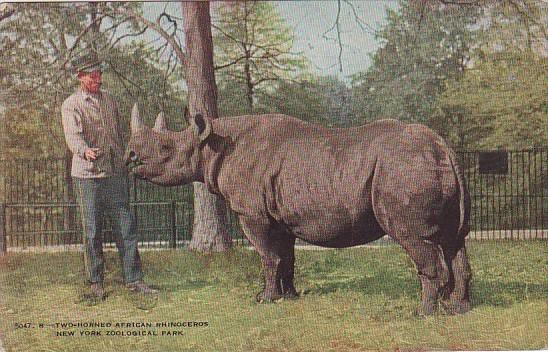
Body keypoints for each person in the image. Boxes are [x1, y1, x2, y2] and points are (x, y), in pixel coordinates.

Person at [61, 50, 157, 299]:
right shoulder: (71, 105)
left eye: (99, 74)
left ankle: (135, 279)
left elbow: (117, 134)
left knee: (126, 227)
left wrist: (126, 157)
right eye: (93, 76)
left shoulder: (110, 100)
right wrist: (84, 151)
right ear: (80, 76)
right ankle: (95, 282)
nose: (98, 79)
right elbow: (72, 136)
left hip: (114, 174)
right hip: (87, 176)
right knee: (92, 230)